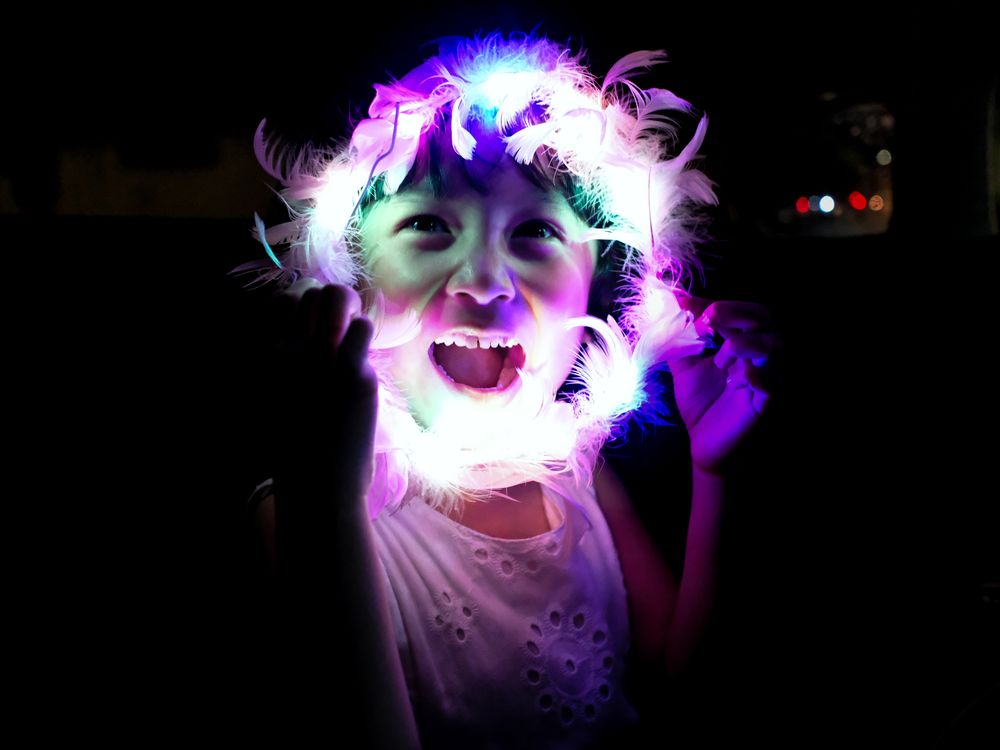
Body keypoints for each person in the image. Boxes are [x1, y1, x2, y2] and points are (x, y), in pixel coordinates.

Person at [236, 30, 783, 748]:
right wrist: (326, 503)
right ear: (353, 275)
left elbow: (683, 691)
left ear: (596, 285)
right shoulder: (304, 512)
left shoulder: (578, 478)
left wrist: (719, 472)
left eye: (534, 233)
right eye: (428, 225)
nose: (486, 282)